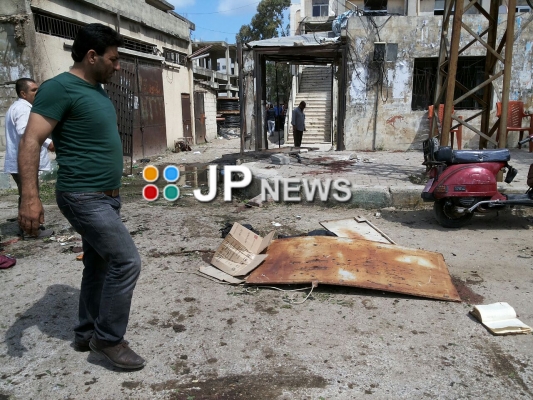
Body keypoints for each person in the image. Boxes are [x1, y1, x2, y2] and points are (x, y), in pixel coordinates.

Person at [17, 23, 145, 370]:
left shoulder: (96, 89)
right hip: (83, 195)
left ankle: (86, 332)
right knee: (126, 261)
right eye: (113, 59)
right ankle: (108, 340)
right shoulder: (59, 88)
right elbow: (31, 140)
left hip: (106, 196)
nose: (117, 65)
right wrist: (29, 197)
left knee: (99, 264)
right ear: (91, 56)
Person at [4, 78, 55, 238]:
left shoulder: (19, 107)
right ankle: (30, 230)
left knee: (26, 196)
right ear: (23, 93)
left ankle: (27, 228)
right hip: (24, 163)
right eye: (33, 90)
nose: (37, 92)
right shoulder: (23, 109)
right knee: (29, 197)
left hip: (19, 162)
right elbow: (25, 131)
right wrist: (48, 143)